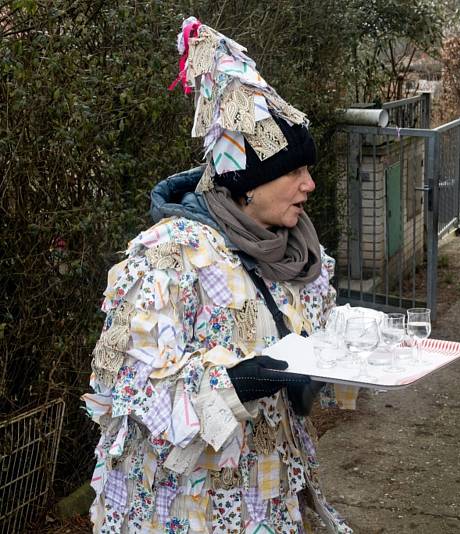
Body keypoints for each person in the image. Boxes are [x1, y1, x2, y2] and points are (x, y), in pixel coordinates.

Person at [82, 18, 355, 533]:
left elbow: (308, 368)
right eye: (294, 171)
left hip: (269, 498)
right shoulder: (170, 254)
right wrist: (238, 381)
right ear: (246, 182)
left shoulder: (299, 255)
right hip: (183, 510)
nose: (310, 184)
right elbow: (125, 382)